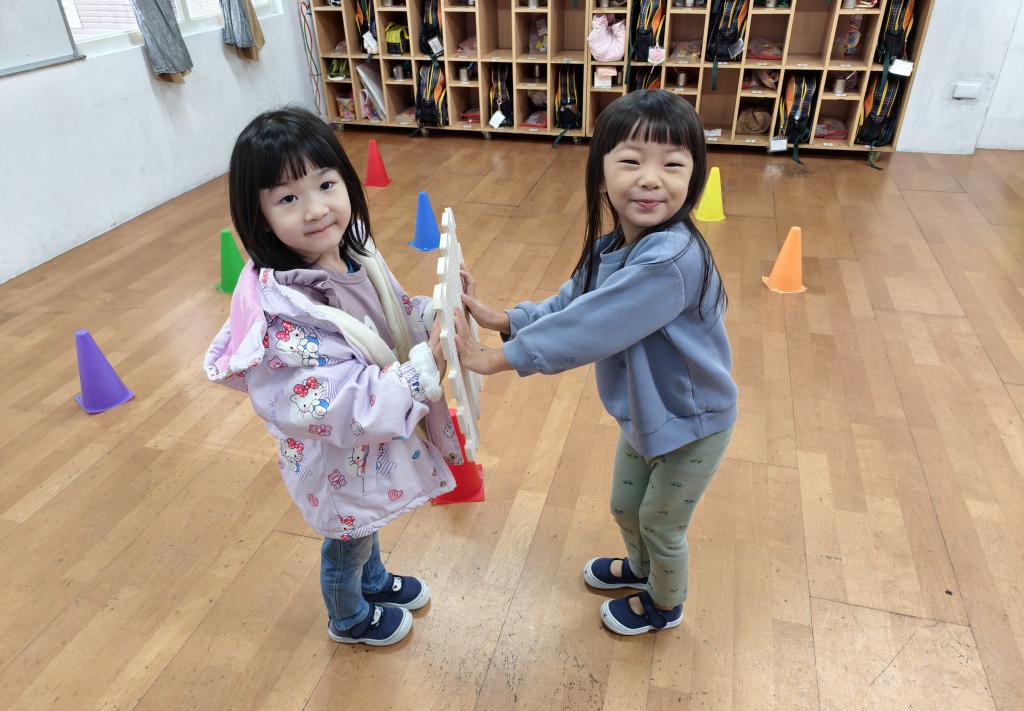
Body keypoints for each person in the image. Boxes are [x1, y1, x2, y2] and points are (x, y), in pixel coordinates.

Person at [455, 90, 738, 636]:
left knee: (661, 523)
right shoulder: (615, 246)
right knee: (626, 507)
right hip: (646, 413)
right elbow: (572, 305)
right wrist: (505, 319)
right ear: (602, 176)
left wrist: (495, 360)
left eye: (672, 165)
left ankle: (665, 605)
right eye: (631, 161)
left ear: (694, 180)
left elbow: (590, 327)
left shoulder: (670, 259)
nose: (651, 179)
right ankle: (640, 569)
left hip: (695, 424)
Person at [205, 106, 463, 647]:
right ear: (259, 217)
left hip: (364, 450)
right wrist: (421, 371)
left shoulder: (352, 255)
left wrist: (433, 315)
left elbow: (390, 318)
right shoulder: (283, 316)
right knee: (347, 538)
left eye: (326, 184)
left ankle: (373, 581)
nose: (317, 209)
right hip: (335, 458)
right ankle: (347, 618)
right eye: (288, 198)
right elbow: (338, 403)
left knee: (366, 521)